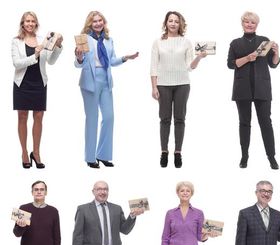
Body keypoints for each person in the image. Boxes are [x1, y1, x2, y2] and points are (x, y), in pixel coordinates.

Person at [74, 11, 139, 169]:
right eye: (94, 21)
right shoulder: (84, 39)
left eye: (100, 20)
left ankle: (103, 154)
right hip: (90, 81)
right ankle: (90, 157)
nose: (97, 23)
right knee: (92, 119)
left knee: (109, 117)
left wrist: (125, 58)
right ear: (90, 23)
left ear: (104, 22)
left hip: (106, 81)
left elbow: (111, 61)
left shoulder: (109, 40)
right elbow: (78, 64)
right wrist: (79, 56)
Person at [150, 11, 206, 168]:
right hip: (163, 84)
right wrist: (154, 87)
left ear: (180, 24)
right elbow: (153, 66)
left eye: (176, 21)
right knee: (165, 119)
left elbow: (190, 67)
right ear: (166, 23)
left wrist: (199, 57)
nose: (173, 23)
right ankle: (164, 152)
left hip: (182, 84)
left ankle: (178, 153)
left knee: (180, 119)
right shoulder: (158, 42)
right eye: (170, 21)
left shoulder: (186, 42)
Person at [227, 11, 280, 169]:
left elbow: (274, 64)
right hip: (242, 88)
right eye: (247, 22)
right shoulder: (235, 43)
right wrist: (247, 58)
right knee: (244, 123)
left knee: (266, 123)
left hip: (262, 88)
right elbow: (230, 64)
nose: (250, 25)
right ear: (242, 23)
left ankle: (272, 157)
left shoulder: (264, 41)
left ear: (257, 25)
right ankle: (244, 156)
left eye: (253, 23)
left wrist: (276, 53)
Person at [12, 11, 62, 169]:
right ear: (22, 23)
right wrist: (35, 55)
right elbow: (17, 63)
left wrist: (58, 46)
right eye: (27, 21)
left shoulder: (42, 40)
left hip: (39, 83)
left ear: (36, 23)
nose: (30, 24)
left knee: (39, 118)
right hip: (22, 84)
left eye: (32, 21)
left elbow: (51, 61)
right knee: (22, 117)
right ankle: (24, 152)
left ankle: (36, 152)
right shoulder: (16, 41)